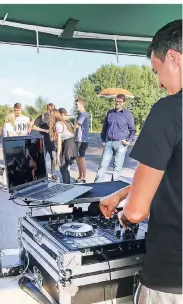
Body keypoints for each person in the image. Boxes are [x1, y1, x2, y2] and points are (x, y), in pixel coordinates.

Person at [100, 19, 182, 304]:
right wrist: (122, 192)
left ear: (173, 57)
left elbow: (136, 213)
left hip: (172, 277)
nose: (159, 83)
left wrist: (126, 210)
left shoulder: (169, 111)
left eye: (157, 70)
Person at [94, 94, 136, 182]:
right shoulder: (110, 113)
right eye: (116, 101)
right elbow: (104, 128)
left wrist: (128, 141)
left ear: (124, 103)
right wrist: (103, 140)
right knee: (102, 166)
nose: (117, 103)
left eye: (120, 102)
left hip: (121, 144)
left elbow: (132, 130)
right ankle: (96, 186)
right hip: (109, 143)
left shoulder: (127, 115)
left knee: (117, 168)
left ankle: (114, 189)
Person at [49, 108, 77, 184]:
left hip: (68, 144)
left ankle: (66, 186)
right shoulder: (66, 122)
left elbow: (59, 143)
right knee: (65, 167)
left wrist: (58, 156)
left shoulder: (58, 124)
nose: (49, 117)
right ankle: (67, 184)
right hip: (72, 144)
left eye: (50, 116)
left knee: (63, 167)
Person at [32, 103, 57, 181]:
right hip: (42, 141)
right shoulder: (42, 117)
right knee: (42, 159)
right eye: (49, 109)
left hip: (52, 142)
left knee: (54, 158)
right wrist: (45, 130)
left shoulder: (55, 118)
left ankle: (53, 174)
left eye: (52, 110)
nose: (50, 111)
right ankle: (42, 175)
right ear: (47, 109)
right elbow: (34, 127)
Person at [74, 97, 90, 183]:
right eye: (75, 104)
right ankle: (80, 176)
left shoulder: (83, 114)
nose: (75, 106)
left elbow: (76, 126)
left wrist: (75, 120)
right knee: (78, 158)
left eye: (77, 104)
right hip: (78, 140)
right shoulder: (80, 114)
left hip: (82, 140)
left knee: (81, 158)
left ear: (81, 104)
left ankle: (83, 177)